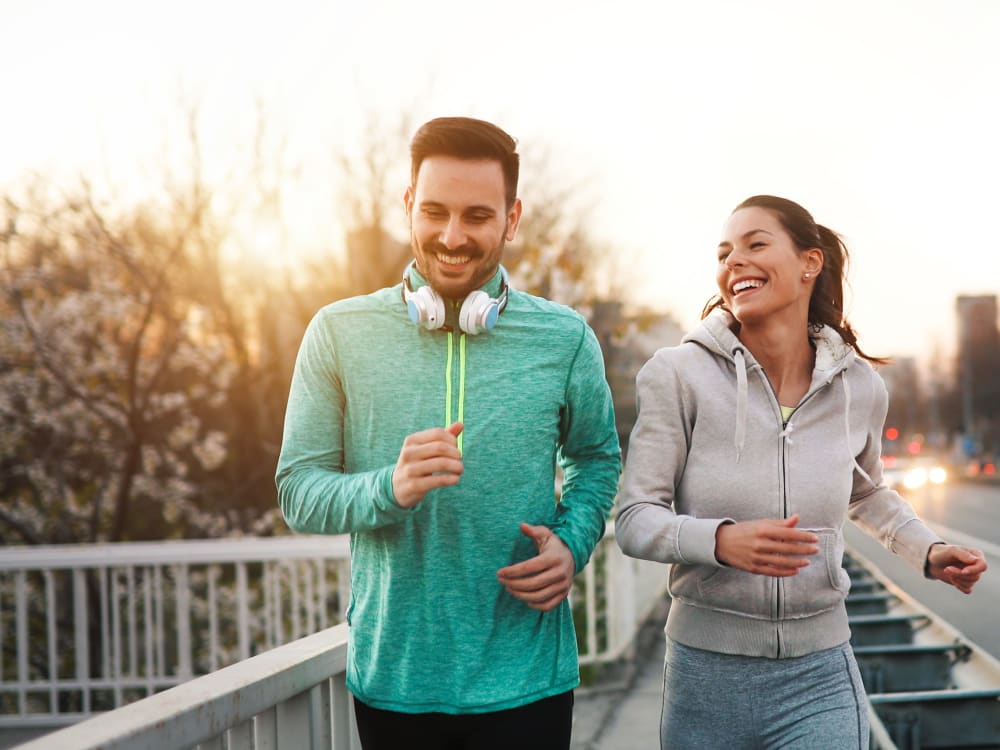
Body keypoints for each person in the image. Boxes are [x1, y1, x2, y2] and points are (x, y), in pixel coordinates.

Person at [275, 116, 621, 750]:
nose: (452, 236)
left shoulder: (566, 338)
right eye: (434, 211)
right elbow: (299, 489)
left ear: (512, 219)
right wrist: (389, 487)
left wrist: (573, 543)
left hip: (529, 681)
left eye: (477, 217)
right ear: (409, 206)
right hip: (395, 680)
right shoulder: (336, 332)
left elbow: (596, 459)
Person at [615, 194, 987, 750]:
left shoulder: (860, 386)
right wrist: (718, 540)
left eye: (755, 244)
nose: (734, 261)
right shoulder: (677, 374)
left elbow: (866, 493)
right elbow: (634, 518)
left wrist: (928, 550)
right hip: (707, 675)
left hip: (820, 671)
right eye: (724, 253)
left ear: (809, 262)